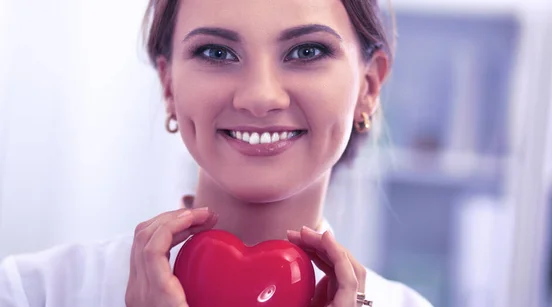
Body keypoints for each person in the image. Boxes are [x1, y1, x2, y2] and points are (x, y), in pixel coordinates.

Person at [0, 0, 433, 306]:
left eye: (307, 51)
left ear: (369, 87)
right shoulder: (28, 292)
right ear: (169, 86)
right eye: (217, 52)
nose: (259, 96)